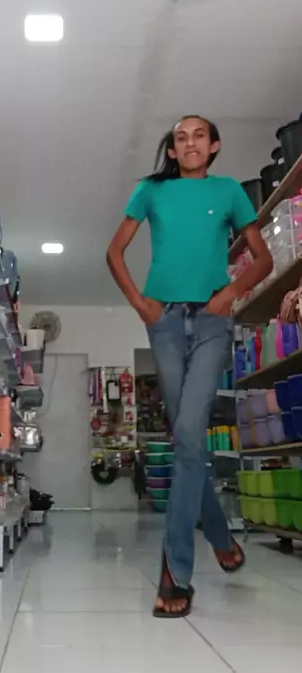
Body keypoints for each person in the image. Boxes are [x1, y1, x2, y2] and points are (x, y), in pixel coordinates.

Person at [107, 115, 273, 618]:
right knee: (188, 442)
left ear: (214, 145)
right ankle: (220, 537)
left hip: (211, 322)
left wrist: (229, 294)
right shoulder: (151, 190)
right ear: (173, 151)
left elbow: (262, 259)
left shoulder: (228, 191)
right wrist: (141, 304)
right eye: (181, 138)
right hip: (163, 322)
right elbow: (115, 252)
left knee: (187, 433)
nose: (190, 142)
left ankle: (175, 570)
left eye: (199, 135)